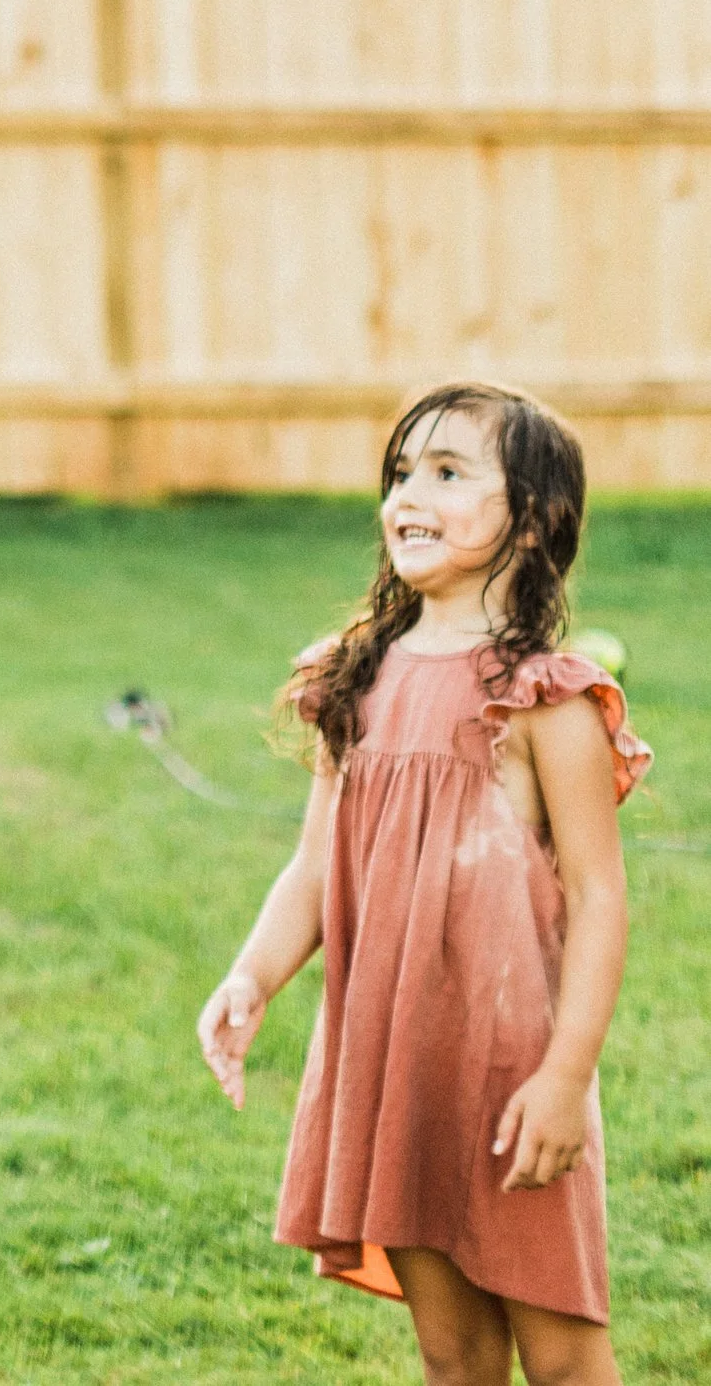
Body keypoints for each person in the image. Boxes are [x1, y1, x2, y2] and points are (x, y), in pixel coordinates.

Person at [197, 381, 651, 1386]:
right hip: (392, 1064)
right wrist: (250, 978)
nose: (409, 494)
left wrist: (565, 1078)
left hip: (510, 1074)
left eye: (448, 473)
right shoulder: (355, 679)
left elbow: (598, 899)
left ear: (531, 523)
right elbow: (317, 866)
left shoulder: (546, 700)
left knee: (567, 1358)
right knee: (454, 1360)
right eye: (402, 472)